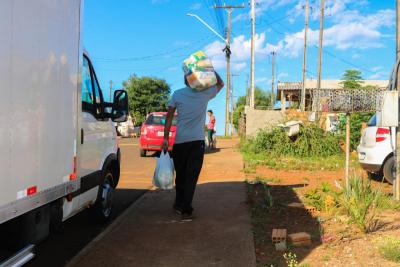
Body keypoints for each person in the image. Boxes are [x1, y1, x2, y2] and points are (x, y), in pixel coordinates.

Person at [162, 72, 224, 221]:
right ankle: (185, 208)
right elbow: (220, 84)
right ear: (197, 81)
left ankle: (180, 204)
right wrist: (211, 70)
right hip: (197, 142)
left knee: (181, 175)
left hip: (180, 142)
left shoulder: (177, 94)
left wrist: (165, 138)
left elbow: (169, 116)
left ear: (185, 81)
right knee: (191, 176)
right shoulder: (204, 93)